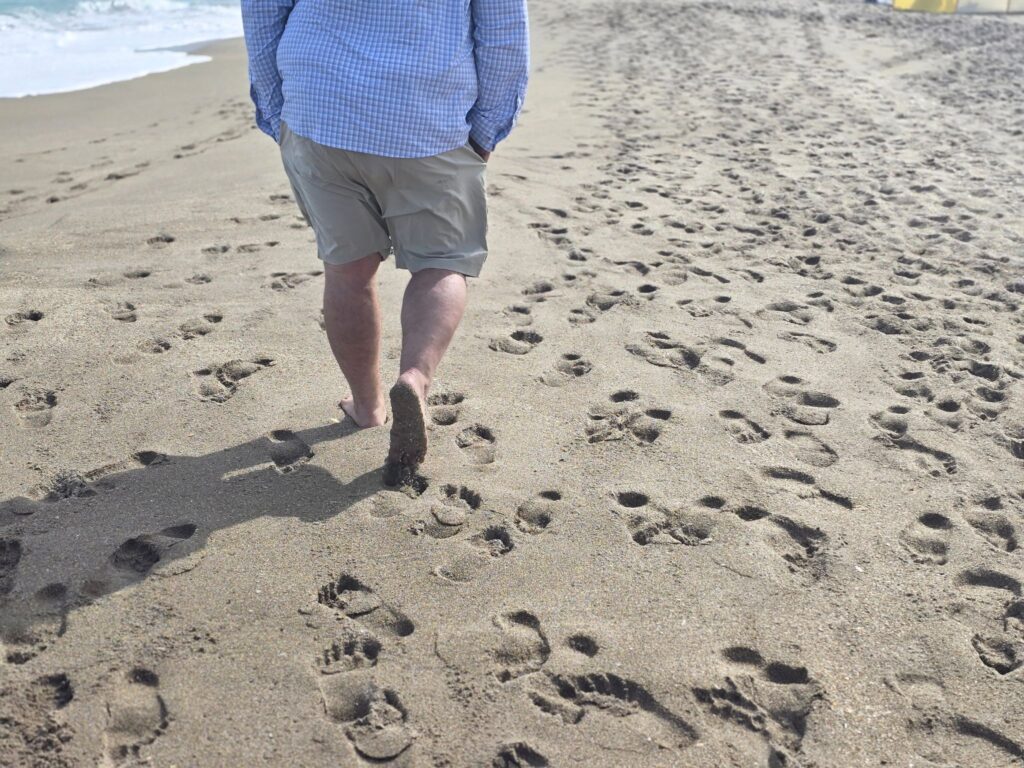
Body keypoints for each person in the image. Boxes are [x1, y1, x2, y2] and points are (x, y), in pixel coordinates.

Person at [241, 0, 530, 484]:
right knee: (442, 262)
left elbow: (263, 12)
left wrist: (276, 108)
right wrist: (486, 129)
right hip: (426, 115)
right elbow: (502, 34)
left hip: (320, 106)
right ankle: (413, 380)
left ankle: (368, 405)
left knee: (348, 270)